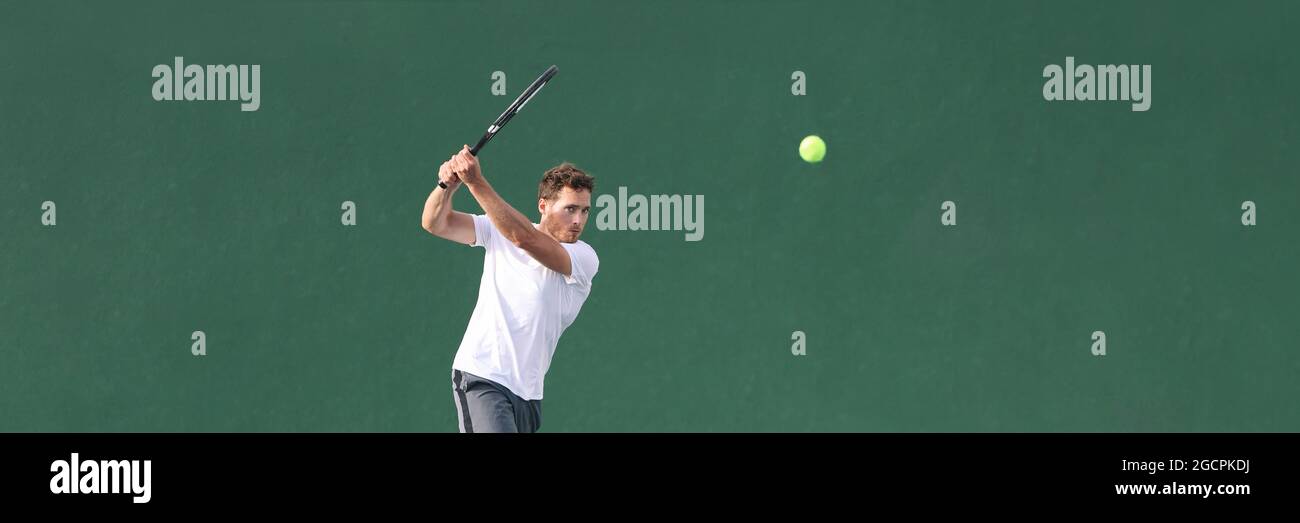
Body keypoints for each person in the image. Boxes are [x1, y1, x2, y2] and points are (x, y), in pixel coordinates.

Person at [420, 145, 599, 433]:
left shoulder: (584, 258)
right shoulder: (497, 231)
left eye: (584, 211)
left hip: (528, 396)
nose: (578, 220)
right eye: (570, 209)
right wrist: (446, 186)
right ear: (543, 206)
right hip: (483, 376)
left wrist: (475, 182)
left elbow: (524, 239)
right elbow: (435, 223)